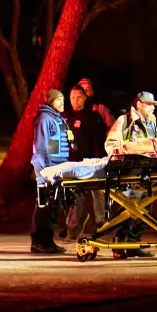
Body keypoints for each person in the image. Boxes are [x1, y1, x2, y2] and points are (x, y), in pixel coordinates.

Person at [104, 91, 157, 258]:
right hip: (130, 173)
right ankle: (118, 243)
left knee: (145, 207)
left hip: (147, 172)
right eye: (149, 105)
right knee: (129, 207)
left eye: (154, 105)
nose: (153, 108)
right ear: (138, 104)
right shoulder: (124, 121)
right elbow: (111, 145)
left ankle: (133, 243)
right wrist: (134, 149)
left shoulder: (151, 121)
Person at [29, 89, 71, 254]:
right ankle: (39, 242)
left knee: (54, 205)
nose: (62, 103)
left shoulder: (57, 117)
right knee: (44, 204)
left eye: (62, 99)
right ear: (50, 101)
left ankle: (48, 241)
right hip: (48, 169)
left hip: (57, 167)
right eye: (58, 100)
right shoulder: (44, 118)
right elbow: (41, 145)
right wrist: (46, 169)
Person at [65, 85, 106, 240]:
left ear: (85, 98)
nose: (75, 100)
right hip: (73, 162)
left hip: (91, 161)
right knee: (75, 195)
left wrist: (83, 127)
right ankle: (73, 228)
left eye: (79, 97)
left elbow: (99, 134)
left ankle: (102, 224)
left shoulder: (92, 116)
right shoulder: (65, 116)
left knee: (98, 193)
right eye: (73, 97)